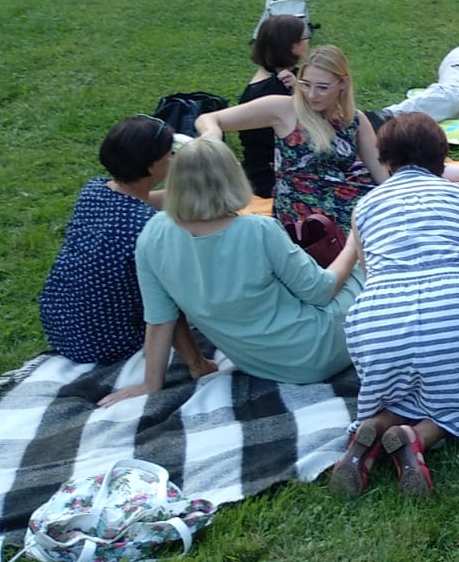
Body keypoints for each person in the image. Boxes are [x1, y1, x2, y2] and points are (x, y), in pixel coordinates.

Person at [98, 139, 364, 407]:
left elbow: (160, 319)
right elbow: (320, 291)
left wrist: (152, 382)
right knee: (369, 270)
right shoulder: (258, 230)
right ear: (232, 177)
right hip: (321, 348)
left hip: (262, 365)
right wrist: (354, 242)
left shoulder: (152, 234)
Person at [330, 114, 459, 499]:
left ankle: (374, 431)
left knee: (398, 388)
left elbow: (369, 272)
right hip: (451, 312)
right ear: (441, 159)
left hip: (378, 323)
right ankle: (417, 438)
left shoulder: (365, 207)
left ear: (385, 159)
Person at [194, 45, 387, 229]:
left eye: (322, 87)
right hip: (300, 210)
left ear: (342, 84)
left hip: (341, 202)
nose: (312, 95)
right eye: (305, 84)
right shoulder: (285, 109)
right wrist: (212, 135)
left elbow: (382, 176)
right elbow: (208, 118)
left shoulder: (354, 120)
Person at [38, 115, 174, 364]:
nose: (173, 158)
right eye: (170, 153)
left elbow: (142, 201)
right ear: (152, 166)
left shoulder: (94, 190)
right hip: (107, 343)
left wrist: (195, 192)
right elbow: (167, 302)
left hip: (61, 327)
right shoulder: (148, 227)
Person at [237, 14, 309, 197]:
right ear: (292, 46)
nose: (308, 42)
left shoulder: (288, 77)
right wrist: (299, 93)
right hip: (274, 179)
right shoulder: (268, 91)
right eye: (304, 38)